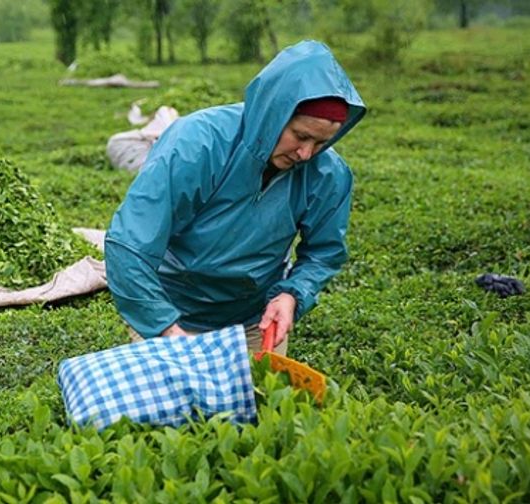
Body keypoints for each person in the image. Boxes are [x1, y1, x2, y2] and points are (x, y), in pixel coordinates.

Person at [104, 40, 367, 353]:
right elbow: (129, 244)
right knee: (174, 400)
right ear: (274, 114)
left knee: (260, 399)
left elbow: (323, 252)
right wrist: (166, 329)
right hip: (167, 309)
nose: (306, 153)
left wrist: (292, 294)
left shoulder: (328, 174)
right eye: (301, 136)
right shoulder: (197, 143)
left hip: (252, 321)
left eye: (321, 143)